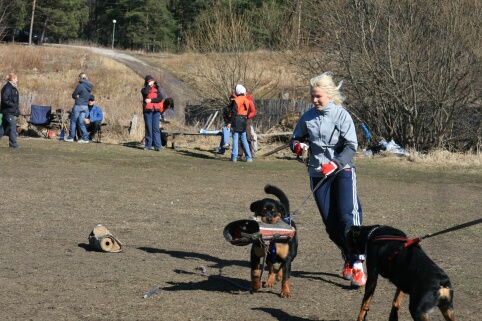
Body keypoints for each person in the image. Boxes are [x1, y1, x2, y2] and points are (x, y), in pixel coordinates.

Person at [290, 72, 366, 287]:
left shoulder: (342, 116)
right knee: (331, 226)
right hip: (317, 174)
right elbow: (296, 138)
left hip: (342, 172)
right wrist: (297, 146)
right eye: (312, 96)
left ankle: (358, 264)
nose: (314, 100)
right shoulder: (307, 117)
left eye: (318, 96)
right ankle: (347, 256)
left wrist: (335, 163)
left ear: (329, 96)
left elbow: (352, 147)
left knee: (347, 218)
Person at [228, 84, 255, 162]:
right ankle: (249, 157)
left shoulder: (236, 100)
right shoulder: (247, 100)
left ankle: (234, 157)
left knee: (235, 138)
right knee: (244, 138)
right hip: (244, 119)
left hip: (237, 119)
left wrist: (230, 122)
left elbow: (234, 112)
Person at [65, 72, 93, 143]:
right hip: (85, 106)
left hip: (78, 105)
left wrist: (76, 97)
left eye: (79, 78)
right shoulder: (89, 86)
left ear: (81, 78)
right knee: (81, 122)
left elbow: (74, 95)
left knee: (73, 121)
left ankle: (71, 137)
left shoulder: (80, 85)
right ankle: (85, 138)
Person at [141, 75, 163, 151]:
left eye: (152, 82)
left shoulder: (157, 90)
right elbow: (146, 92)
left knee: (156, 128)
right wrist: (149, 86)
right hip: (147, 111)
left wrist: (151, 100)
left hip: (156, 111)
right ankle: (148, 145)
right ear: (147, 83)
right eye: (150, 82)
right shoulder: (144, 90)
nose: (152, 83)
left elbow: (160, 98)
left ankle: (158, 146)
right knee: (148, 128)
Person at [0, 73, 21, 149]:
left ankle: (13, 144)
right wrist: (12, 105)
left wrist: (16, 110)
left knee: (3, 128)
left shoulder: (12, 87)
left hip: (9, 111)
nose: (17, 80)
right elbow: (5, 99)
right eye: (16, 78)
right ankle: (13, 144)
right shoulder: (7, 88)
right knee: (12, 126)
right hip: (8, 111)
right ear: (12, 79)